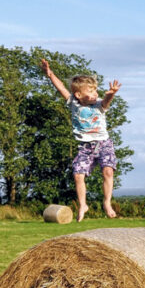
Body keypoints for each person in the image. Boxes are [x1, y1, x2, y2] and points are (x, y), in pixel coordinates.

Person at [41, 59, 122, 222]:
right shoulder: (73, 103)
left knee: (108, 171)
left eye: (96, 91)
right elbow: (61, 88)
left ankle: (107, 202)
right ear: (79, 95)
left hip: (103, 143)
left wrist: (111, 94)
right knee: (78, 175)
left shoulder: (99, 105)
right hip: (85, 147)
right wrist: (50, 74)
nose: (95, 95)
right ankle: (83, 205)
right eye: (91, 92)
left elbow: (106, 101)